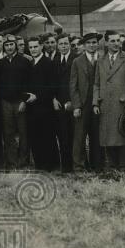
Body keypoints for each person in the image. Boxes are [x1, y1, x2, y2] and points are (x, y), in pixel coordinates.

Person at [94, 30, 125, 170]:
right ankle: (113, 166)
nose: (116, 44)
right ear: (106, 43)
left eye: (118, 41)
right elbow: (96, 84)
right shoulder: (100, 60)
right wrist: (95, 102)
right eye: (112, 41)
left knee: (123, 135)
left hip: (122, 104)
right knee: (107, 136)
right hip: (105, 104)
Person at [0, 35, 31, 170]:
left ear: (15, 45)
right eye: (6, 45)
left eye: (11, 44)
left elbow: (29, 82)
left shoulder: (25, 61)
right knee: (8, 133)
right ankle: (11, 162)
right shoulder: (0, 63)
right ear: (3, 47)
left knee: (23, 132)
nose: (9, 47)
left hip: (20, 102)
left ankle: (23, 162)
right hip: (6, 102)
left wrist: (24, 100)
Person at [24, 36, 57, 171]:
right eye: (31, 47)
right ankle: (39, 164)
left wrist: (37, 96)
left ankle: (49, 165)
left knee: (46, 136)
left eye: (35, 47)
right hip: (31, 107)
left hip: (45, 107)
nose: (33, 49)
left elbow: (52, 86)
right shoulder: (29, 63)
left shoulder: (48, 63)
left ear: (41, 46)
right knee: (34, 135)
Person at [70, 32, 101, 171]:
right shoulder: (77, 61)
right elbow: (73, 86)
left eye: (94, 42)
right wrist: (76, 105)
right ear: (84, 45)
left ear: (98, 44)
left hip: (98, 103)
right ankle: (79, 166)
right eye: (88, 43)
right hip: (83, 104)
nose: (91, 45)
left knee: (97, 134)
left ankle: (97, 165)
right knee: (80, 136)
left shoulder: (103, 59)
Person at [53, 33, 75, 172]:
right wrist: (54, 98)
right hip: (59, 104)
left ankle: (76, 165)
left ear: (70, 44)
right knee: (63, 136)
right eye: (61, 44)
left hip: (73, 103)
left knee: (74, 136)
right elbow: (52, 83)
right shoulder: (55, 60)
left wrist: (72, 101)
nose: (63, 46)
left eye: (66, 43)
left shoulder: (76, 59)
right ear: (57, 46)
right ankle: (66, 166)